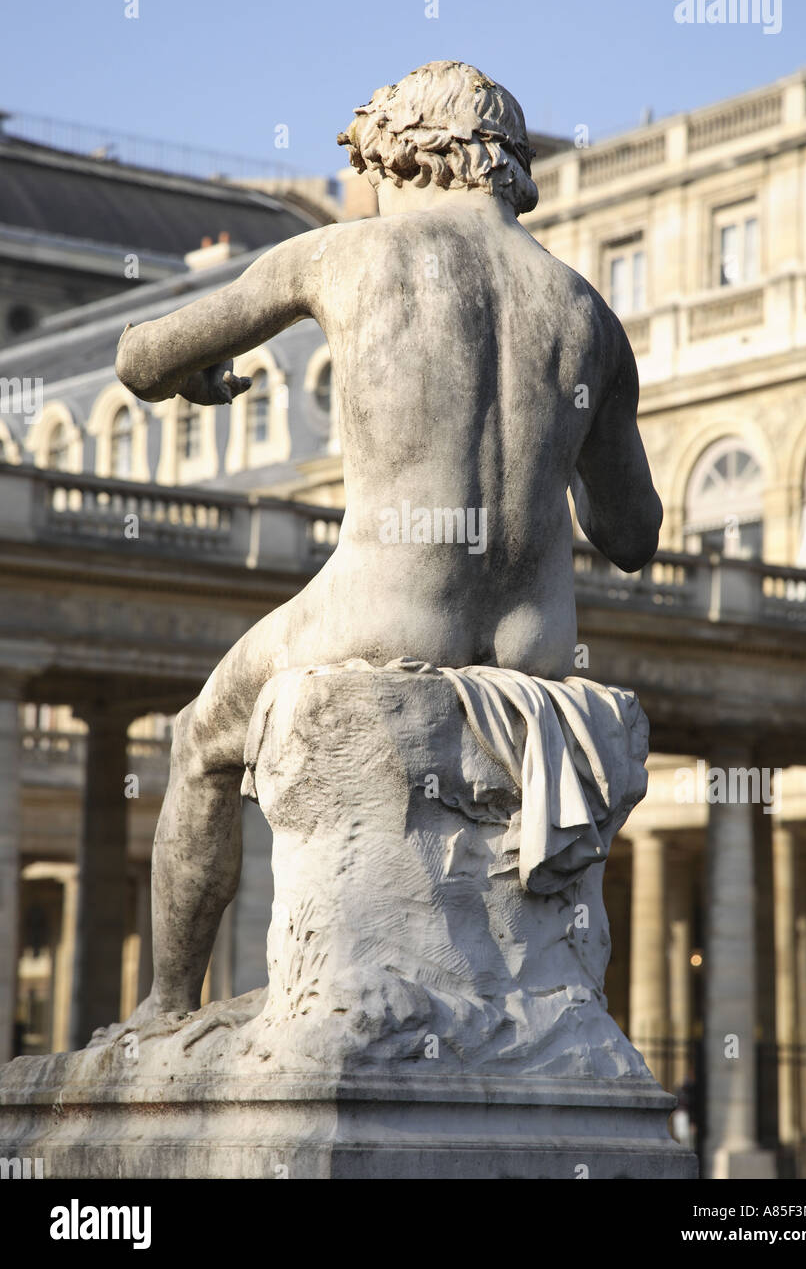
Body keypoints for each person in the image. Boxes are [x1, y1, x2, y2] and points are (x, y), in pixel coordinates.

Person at [114, 60, 662, 1026]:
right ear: (505, 165)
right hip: (534, 642)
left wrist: (196, 374)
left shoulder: (341, 256)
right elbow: (631, 534)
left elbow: (141, 357)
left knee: (201, 739)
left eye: (372, 165)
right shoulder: (588, 314)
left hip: (379, 609)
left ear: (404, 154)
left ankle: (163, 1010)